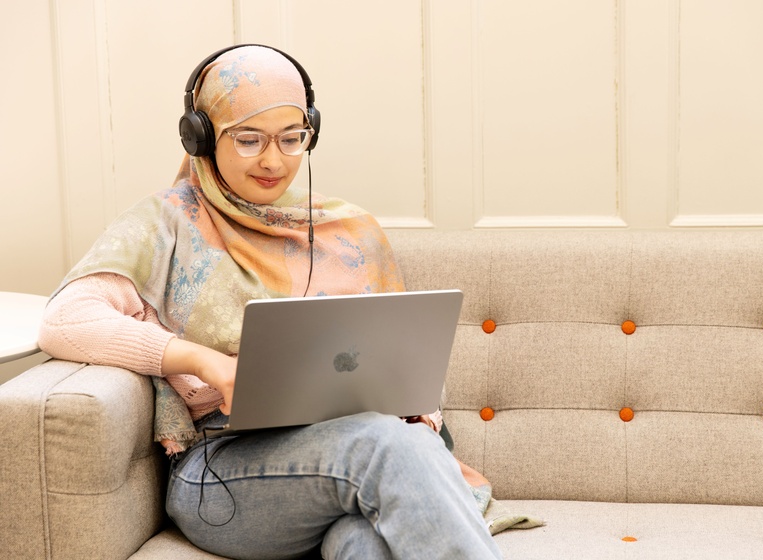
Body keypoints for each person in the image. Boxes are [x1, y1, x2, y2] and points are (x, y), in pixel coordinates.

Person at [38, 45, 503, 559]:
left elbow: (410, 359)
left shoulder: (351, 232)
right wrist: (209, 364)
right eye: (249, 139)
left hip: (352, 459)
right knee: (387, 447)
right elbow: (65, 320)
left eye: (291, 138)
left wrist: (418, 414)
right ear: (203, 135)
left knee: (364, 543)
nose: (273, 160)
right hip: (221, 473)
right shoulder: (164, 223)